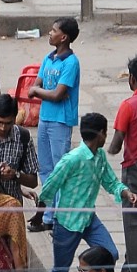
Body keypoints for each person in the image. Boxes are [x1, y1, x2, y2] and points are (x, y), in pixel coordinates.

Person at [37, 112, 137, 272]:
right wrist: (43, 214)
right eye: (106, 133)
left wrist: (126, 193)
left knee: (110, 254)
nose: (106, 137)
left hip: (89, 220)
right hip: (67, 223)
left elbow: (111, 181)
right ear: (100, 134)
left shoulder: (99, 156)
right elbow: (50, 186)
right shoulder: (72, 159)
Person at [28, 17, 81, 230]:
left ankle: (55, 216)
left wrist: (36, 92)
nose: (50, 33)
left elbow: (58, 94)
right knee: (46, 168)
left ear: (64, 37)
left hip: (60, 120)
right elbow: (37, 83)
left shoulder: (70, 62)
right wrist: (38, 90)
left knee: (59, 169)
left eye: (53, 30)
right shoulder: (49, 58)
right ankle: (49, 213)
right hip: (45, 118)